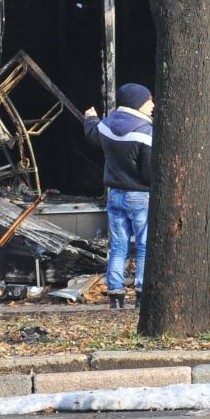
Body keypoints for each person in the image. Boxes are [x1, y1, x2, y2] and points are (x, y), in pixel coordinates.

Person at [83, 83, 155, 309]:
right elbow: (149, 172)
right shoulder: (146, 132)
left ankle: (115, 292)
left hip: (114, 194)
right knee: (144, 245)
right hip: (140, 195)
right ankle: (142, 291)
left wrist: (90, 118)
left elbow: (93, 135)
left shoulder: (106, 125)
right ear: (137, 103)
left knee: (118, 246)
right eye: (149, 100)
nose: (153, 105)